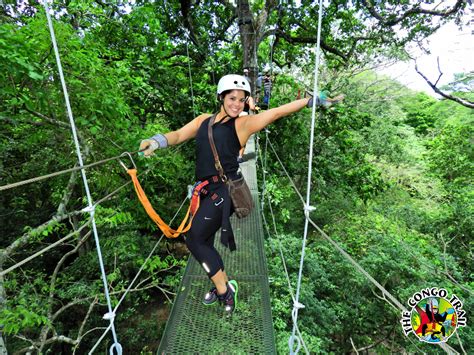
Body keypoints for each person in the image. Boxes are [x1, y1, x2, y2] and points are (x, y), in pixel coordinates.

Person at [139, 74, 341, 315]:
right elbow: (179, 135)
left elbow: (275, 113)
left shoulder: (242, 124)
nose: (237, 104)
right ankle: (223, 282)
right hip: (205, 190)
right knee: (203, 240)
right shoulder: (203, 121)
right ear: (221, 97)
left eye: (242, 100)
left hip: (225, 191)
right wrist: (156, 141)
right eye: (232, 98)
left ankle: (225, 292)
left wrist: (312, 101)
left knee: (194, 239)